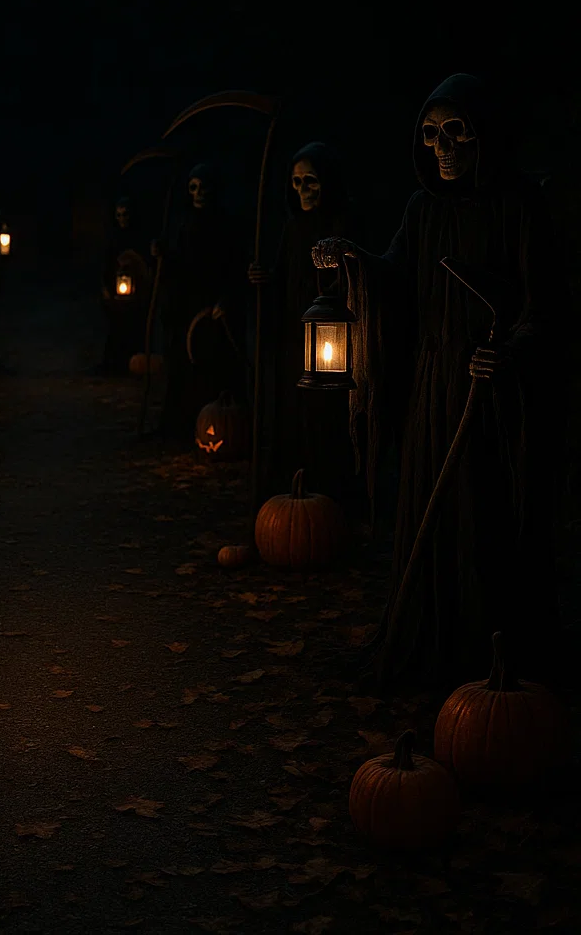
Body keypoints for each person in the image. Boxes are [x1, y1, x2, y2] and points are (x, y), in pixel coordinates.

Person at [314, 75, 563, 692]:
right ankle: (433, 638)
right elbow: (394, 276)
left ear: (485, 135)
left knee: (484, 515)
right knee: (432, 504)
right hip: (435, 387)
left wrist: (508, 351)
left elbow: (546, 303)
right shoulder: (421, 210)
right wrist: (353, 259)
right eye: (430, 134)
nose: (442, 147)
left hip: (491, 394)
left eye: (456, 131)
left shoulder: (521, 205)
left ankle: (490, 655)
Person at [248, 142, 364, 509]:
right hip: (294, 342)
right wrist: (263, 280)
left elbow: (356, 282)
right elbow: (282, 280)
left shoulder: (343, 225)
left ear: (327, 182)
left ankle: (331, 492)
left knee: (326, 417)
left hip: (333, 344)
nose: (303, 191)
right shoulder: (292, 228)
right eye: (296, 183)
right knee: (295, 414)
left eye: (310, 181)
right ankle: (295, 485)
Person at [157, 163, 245, 439]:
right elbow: (179, 264)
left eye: (204, 187)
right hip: (185, 305)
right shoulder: (182, 222)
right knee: (183, 364)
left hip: (213, 305)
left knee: (211, 366)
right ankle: (181, 426)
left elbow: (235, 265)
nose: (199, 193)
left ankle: (214, 426)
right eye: (193, 188)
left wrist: (228, 297)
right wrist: (162, 254)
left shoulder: (226, 224)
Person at [99, 196, 152, 373]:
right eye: (119, 215)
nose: (122, 218)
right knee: (116, 326)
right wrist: (107, 289)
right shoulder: (113, 240)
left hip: (137, 294)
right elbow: (106, 266)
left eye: (125, 214)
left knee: (134, 326)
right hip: (117, 293)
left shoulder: (139, 239)